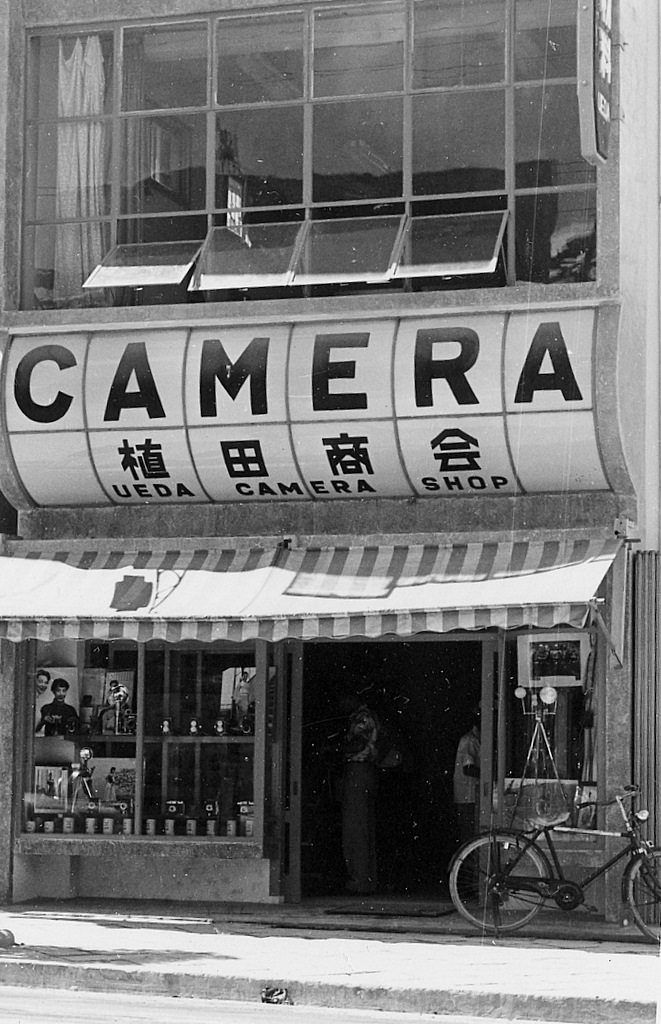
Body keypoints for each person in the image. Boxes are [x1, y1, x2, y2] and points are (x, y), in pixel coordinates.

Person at [340, 702, 400, 894]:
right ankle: (366, 879)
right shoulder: (372, 718)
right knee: (363, 828)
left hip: (358, 773)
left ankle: (359, 880)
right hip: (366, 774)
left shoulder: (362, 718)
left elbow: (357, 744)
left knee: (356, 829)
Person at [453, 712, 481, 848]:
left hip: (472, 795)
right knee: (469, 835)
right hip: (467, 795)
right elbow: (468, 768)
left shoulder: (476, 739)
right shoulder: (469, 740)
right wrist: (489, 775)